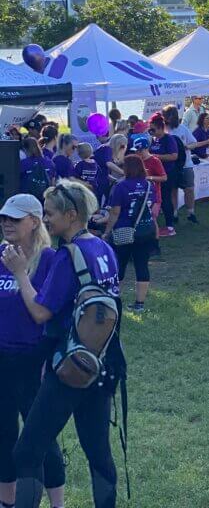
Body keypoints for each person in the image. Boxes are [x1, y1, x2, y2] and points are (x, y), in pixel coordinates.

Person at [3, 180, 122, 508]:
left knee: (27, 451)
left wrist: (20, 274)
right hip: (101, 363)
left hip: (69, 366)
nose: (47, 219)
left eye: (51, 213)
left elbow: (41, 312)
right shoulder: (102, 248)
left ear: (72, 215)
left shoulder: (68, 255)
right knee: (98, 452)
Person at [0, 195, 66, 508]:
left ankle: (57, 504)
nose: (6, 223)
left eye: (14, 218)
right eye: (3, 217)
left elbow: (43, 313)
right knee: (3, 435)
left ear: (35, 221)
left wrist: (20, 273)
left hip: (34, 359)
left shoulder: (50, 259)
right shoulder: (1, 253)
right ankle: (7, 502)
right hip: (2, 357)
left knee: (41, 437)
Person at [102, 154, 159, 313]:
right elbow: (152, 206)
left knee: (119, 265)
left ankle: (113, 300)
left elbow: (115, 212)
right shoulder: (149, 185)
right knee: (142, 265)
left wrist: (107, 232)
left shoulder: (121, 186)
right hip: (146, 230)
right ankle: (140, 303)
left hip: (124, 230)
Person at [163, 105, 199, 225]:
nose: (168, 118)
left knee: (189, 189)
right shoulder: (163, 130)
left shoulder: (183, 129)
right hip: (171, 166)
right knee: (173, 190)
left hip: (186, 164)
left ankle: (191, 213)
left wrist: (186, 147)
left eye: (170, 116)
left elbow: (194, 142)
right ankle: (174, 214)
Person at [147, 114, 181, 237]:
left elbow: (174, 156)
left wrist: (156, 157)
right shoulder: (154, 140)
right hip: (155, 174)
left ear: (161, 128)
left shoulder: (169, 139)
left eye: (153, 129)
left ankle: (170, 226)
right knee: (158, 199)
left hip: (167, 173)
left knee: (166, 199)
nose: (151, 132)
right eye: (150, 129)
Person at [18, 139, 55, 203]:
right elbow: (53, 182)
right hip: (45, 200)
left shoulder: (22, 164)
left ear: (25, 150)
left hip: (27, 201)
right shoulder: (49, 162)